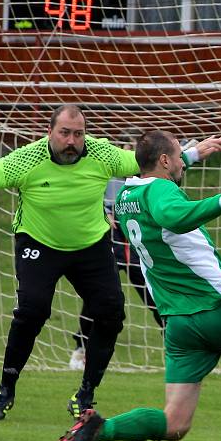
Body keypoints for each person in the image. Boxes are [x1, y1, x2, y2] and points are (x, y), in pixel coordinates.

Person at [0, 105, 221, 421]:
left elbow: (148, 163)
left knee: (111, 313)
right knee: (32, 311)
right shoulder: (26, 160)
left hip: (91, 245)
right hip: (39, 243)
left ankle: (85, 394)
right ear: (49, 131)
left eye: (79, 134)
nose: (72, 141)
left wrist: (193, 154)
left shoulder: (101, 153)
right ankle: (4, 390)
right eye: (65, 133)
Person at [52, 130, 221, 441]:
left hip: (178, 323)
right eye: (179, 154)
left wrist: (194, 155)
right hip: (215, 307)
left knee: (175, 423)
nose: (184, 158)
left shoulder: (126, 196)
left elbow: (161, 197)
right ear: (165, 161)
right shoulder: (163, 192)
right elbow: (172, 214)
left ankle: (100, 428)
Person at [69, 132, 162, 372]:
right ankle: (81, 347)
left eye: (132, 149)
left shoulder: (143, 178)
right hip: (107, 236)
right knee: (99, 293)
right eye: (124, 148)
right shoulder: (103, 170)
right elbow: (87, 195)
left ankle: (173, 338)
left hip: (134, 236)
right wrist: (104, 211)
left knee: (150, 288)